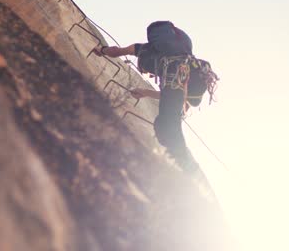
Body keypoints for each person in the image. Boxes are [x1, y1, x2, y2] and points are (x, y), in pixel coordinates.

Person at [94, 21, 219, 173]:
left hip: (179, 72)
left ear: (144, 64)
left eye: (146, 72)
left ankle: (183, 164)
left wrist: (101, 49)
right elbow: (170, 93)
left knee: (166, 124)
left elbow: (116, 51)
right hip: (191, 69)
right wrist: (146, 93)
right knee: (170, 117)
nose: (149, 75)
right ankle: (182, 160)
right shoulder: (162, 54)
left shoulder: (143, 51)